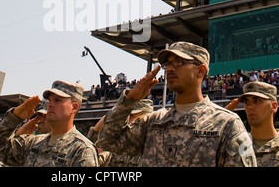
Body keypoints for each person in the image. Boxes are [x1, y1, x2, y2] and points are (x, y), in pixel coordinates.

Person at [97, 41, 256, 167]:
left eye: (179, 62)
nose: (170, 69)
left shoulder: (227, 125)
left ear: (200, 71)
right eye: (167, 64)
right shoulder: (155, 122)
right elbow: (107, 141)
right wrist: (130, 100)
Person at [0, 80, 99, 167]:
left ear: (74, 107)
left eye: (57, 100)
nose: (50, 104)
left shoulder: (82, 150)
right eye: (49, 100)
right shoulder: (34, 142)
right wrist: (14, 118)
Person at [237, 82, 279, 166]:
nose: (250, 106)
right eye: (247, 101)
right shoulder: (233, 148)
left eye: (257, 100)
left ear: (274, 106)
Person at [88, 99, 153, 167]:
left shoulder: (154, 146)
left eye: (131, 116)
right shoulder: (120, 143)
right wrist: (97, 129)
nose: (126, 120)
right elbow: (90, 158)